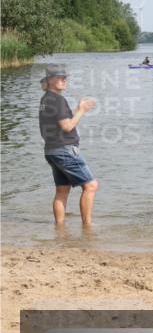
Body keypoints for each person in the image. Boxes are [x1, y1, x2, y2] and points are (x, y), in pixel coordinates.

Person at [38, 65, 99, 226]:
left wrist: (77, 110)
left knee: (62, 190)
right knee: (91, 185)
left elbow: (58, 124)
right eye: (60, 77)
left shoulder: (45, 99)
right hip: (64, 150)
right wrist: (81, 110)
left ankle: (60, 228)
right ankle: (87, 226)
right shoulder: (57, 100)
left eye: (65, 77)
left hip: (51, 151)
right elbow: (67, 126)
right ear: (50, 80)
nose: (64, 80)